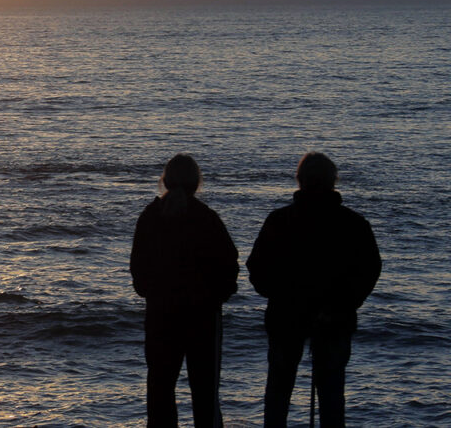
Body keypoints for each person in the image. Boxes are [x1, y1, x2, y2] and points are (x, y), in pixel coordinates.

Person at [247, 152, 381, 427]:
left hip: (287, 317)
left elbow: (257, 268)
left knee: (278, 392)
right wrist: (343, 304)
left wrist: (281, 296)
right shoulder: (352, 224)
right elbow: (368, 270)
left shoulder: (280, 220)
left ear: (300, 181)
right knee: (331, 395)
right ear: (333, 182)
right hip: (334, 318)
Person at [131, 154, 239, 427]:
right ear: (196, 183)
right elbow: (229, 265)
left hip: (161, 316)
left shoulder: (150, 218)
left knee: (160, 390)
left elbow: (138, 269)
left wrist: (152, 293)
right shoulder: (207, 219)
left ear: (165, 181)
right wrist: (218, 295)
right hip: (202, 317)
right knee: (204, 392)